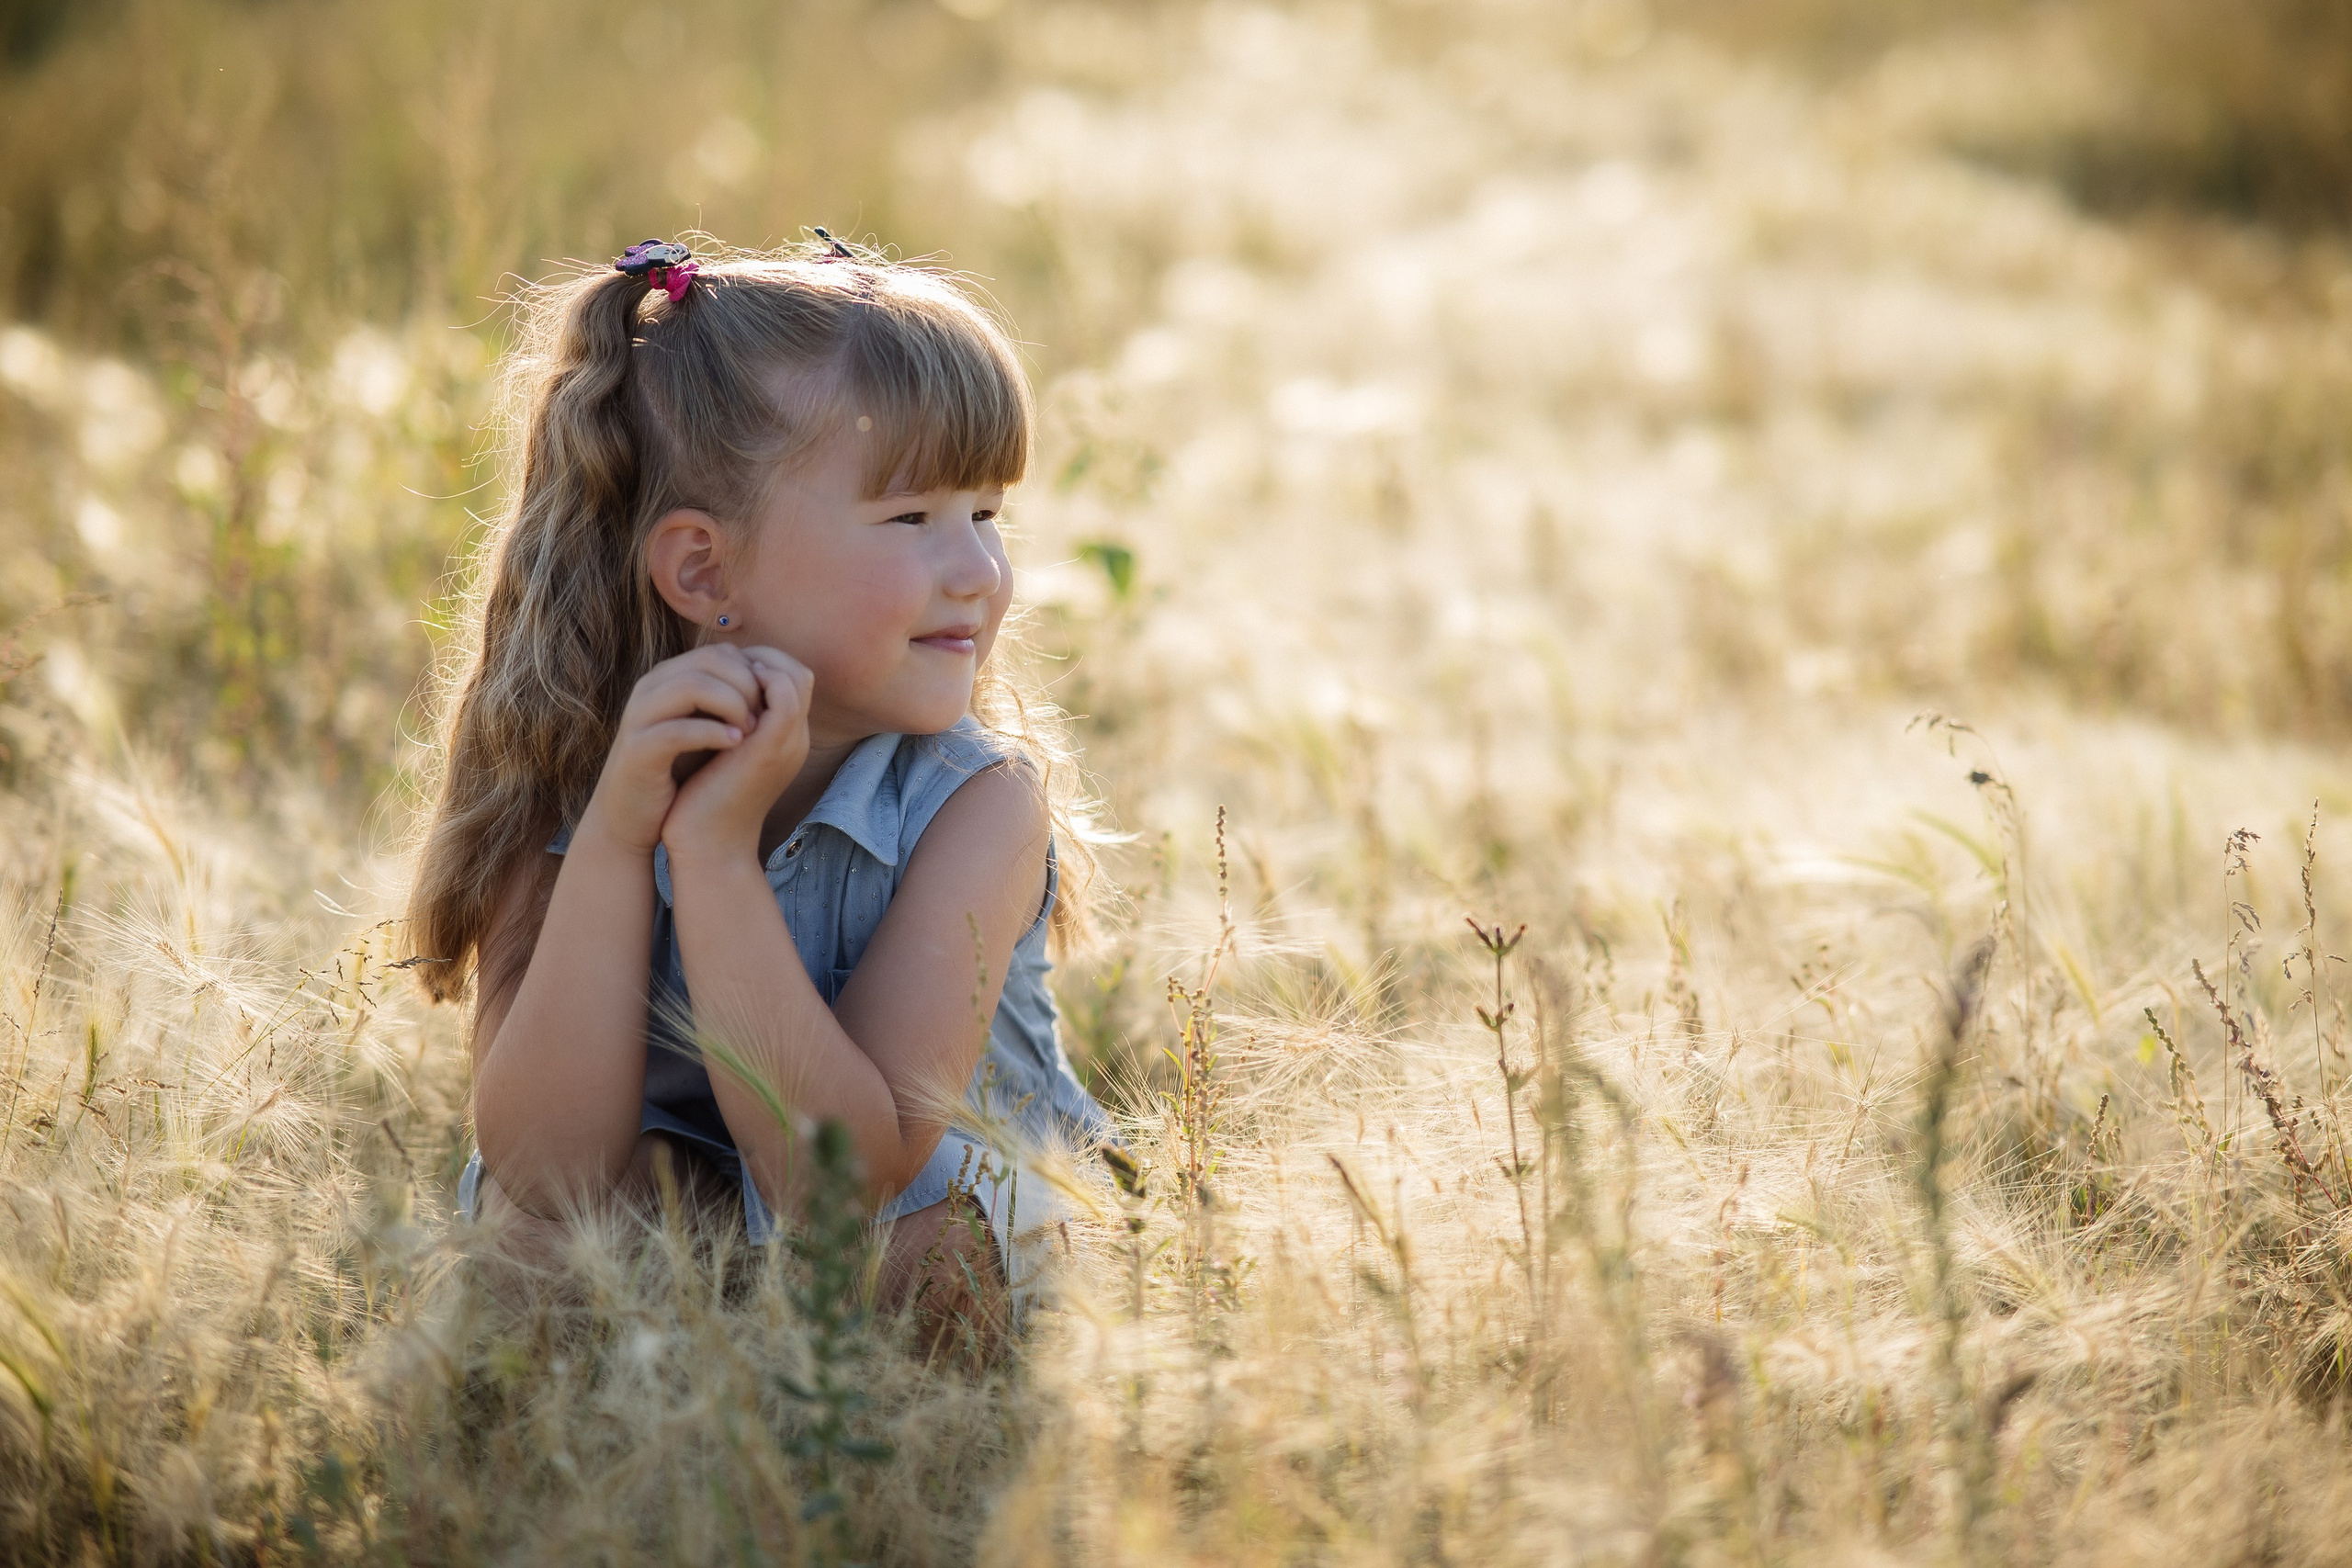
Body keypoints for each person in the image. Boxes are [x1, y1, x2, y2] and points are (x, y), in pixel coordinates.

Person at [402, 234, 1120, 1341]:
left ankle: (769, 1391)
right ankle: (677, 1410)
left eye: (986, 515)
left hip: (910, 1209)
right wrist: (614, 840)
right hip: (688, 1209)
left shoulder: (981, 806)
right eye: (910, 519)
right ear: (704, 571)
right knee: (527, 1259)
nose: (979, 572)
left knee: (918, 1268)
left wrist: (717, 858)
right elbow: (549, 1174)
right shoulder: (568, 771)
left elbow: (844, 1187)